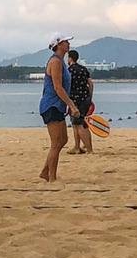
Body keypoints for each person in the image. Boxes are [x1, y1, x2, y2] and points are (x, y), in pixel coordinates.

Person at [37, 35, 79, 182]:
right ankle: (51, 178)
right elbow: (58, 87)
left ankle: (45, 171)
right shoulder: (55, 61)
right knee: (56, 143)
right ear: (59, 44)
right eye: (66, 42)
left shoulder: (61, 62)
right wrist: (72, 105)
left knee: (63, 140)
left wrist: (67, 104)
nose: (69, 44)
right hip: (51, 105)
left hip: (58, 105)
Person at [65, 48, 94, 156]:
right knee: (78, 124)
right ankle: (77, 147)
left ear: (70, 58)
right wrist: (90, 97)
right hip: (85, 99)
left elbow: (66, 86)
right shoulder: (83, 69)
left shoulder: (69, 71)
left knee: (79, 124)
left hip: (75, 100)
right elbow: (90, 83)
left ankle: (89, 149)